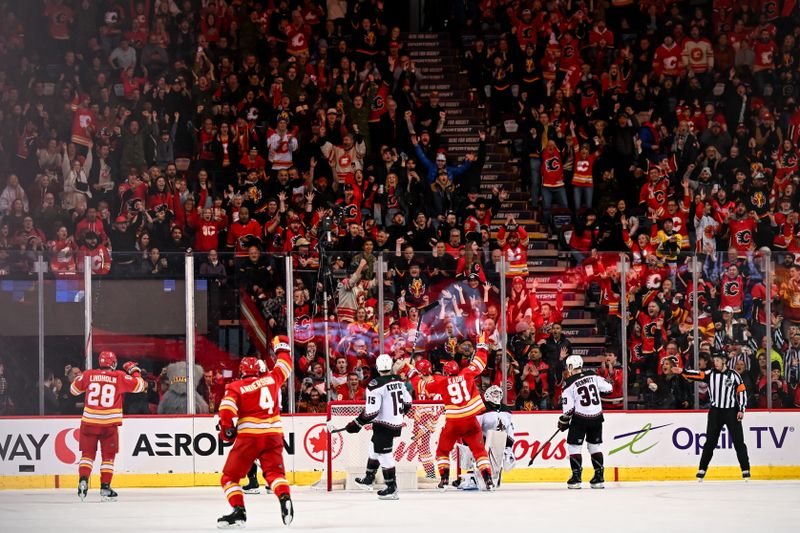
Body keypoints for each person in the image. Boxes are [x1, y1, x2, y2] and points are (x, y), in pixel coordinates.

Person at [216, 336, 294, 528]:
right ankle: (284, 497)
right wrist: (281, 345)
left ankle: (239, 512)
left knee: (229, 478)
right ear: (259, 370)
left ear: (241, 372)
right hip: (274, 435)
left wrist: (226, 432)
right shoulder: (271, 379)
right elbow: (285, 364)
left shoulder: (235, 387)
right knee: (275, 475)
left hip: (250, 437)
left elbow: (226, 411)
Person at [409, 332, 493, 490]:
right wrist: (481, 345)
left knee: (442, 450)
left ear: (446, 373)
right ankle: (488, 479)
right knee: (479, 451)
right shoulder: (466, 375)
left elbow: (422, 387)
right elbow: (480, 363)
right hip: (470, 420)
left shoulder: (442, 382)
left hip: (454, 422)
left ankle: (444, 480)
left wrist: (412, 374)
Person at [69, 351, 145, 501]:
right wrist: (134, 371)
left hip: (89, 423)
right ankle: (105, 487)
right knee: (108, 457)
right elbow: (140, 386)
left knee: (87, 455)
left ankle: (83, 480)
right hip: (108, 425)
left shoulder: (89, 374)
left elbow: (73, 390)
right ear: (114, 363)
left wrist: (82, 378)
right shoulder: (118, 376)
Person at [672, 351, 751, 481]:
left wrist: (741, 409)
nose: (715, 363)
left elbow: (742, 392)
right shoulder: (711, 373)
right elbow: (697, 375)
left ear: (724, 361)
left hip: (731, 411)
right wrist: (683, 371)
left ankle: (745, 469)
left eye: (718, 360)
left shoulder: (734, 375)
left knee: (738, 442)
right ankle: (702, 469)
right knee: (710, 442)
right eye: (715, 360)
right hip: (715, 412)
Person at [344, 353, 412, 500]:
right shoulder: (399, 381)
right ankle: (369, 478)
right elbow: (408, 402)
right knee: (374, 446)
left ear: (377, 367)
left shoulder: (375, 385)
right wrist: (399, 415)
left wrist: (356, 424)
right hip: (394, 423)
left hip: (384, 425)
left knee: (384, 455)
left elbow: (372, 412)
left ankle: (391, 487)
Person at [558, 355, 613, 489]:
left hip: (580, 419)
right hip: (597, 417)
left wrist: (563, 421)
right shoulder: (593, 375)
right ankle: (599, 477)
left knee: (574, 447)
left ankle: (576, 478)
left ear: (570, 367)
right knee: (595, 446)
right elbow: (609, 389)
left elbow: (568, 410)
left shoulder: (569, 383)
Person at [457, 385, 516, 490]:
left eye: (498, 394)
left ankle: (494, 476)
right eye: (494, 393)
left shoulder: (506, 411)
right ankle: (472, 477)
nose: (496, 396)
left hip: (499, 442)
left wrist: (509, 448)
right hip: (483, 441)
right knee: (472, 454)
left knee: (498, 463)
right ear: (488, 395)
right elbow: (475, 428)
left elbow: (510, 430)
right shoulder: (481, 408)